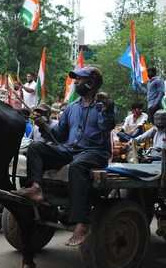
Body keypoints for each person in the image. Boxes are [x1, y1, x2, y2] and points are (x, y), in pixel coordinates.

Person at [15, 66, 115, 246]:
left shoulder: (103, 106)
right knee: (35, 147)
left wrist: (108, 108)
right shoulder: (71, 108)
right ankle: (36, 188)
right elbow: (59, 136)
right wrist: (43, 125)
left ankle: (82, 222)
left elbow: (106, 126)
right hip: (70, 150)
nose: (75, 82)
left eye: (79, 79)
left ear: (91, 83)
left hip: (95, 152)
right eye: (75, 79)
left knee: (77, 166)